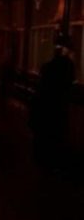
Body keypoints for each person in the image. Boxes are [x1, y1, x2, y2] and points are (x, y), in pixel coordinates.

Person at [29, 34, 76, 169]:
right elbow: (69, 84)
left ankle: (41, 159)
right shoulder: (67, 66)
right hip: (56, 105)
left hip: (44, 104)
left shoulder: (47, 66)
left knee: (42, 134)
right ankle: (51, 160)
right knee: (54, 132)